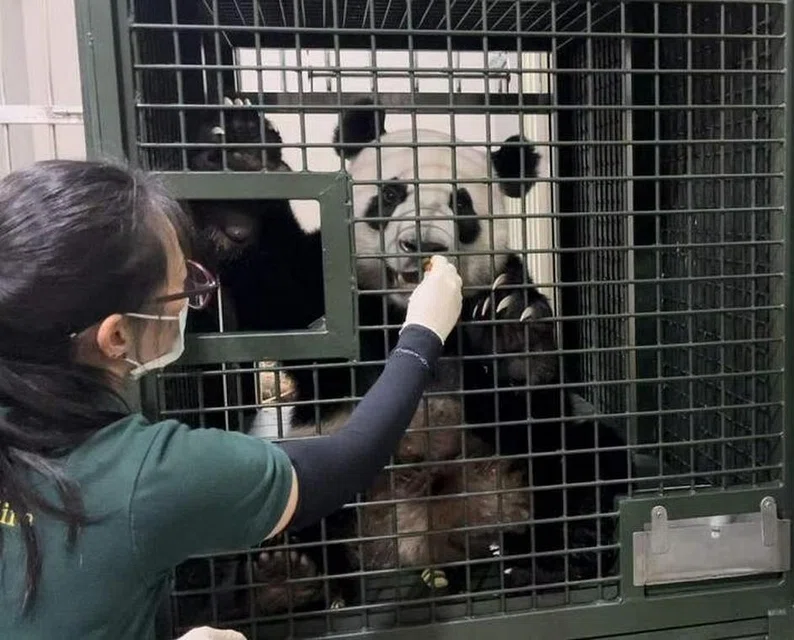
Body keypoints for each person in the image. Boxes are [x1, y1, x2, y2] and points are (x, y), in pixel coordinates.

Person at [0, 159, 463, 639]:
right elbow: (350, 460)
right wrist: (424, 331)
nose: (192, 298)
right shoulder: (148, 473)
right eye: (181, 289)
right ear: (116, 337)